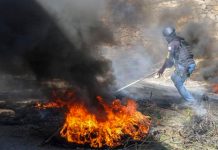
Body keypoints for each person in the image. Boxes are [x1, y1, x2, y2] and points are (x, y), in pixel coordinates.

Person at [157, 26, 196, 104]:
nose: (166, 39)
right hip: (191, 65)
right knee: (174, 77)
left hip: (184, 67)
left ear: (168, 36)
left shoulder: (171, 45)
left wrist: (162, 69)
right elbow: (171, 62)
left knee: (178, 83)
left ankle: (192, 102)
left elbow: (168, 60)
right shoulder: (181, 41)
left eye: (166, 37)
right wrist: (168, 65)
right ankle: (197, 96)